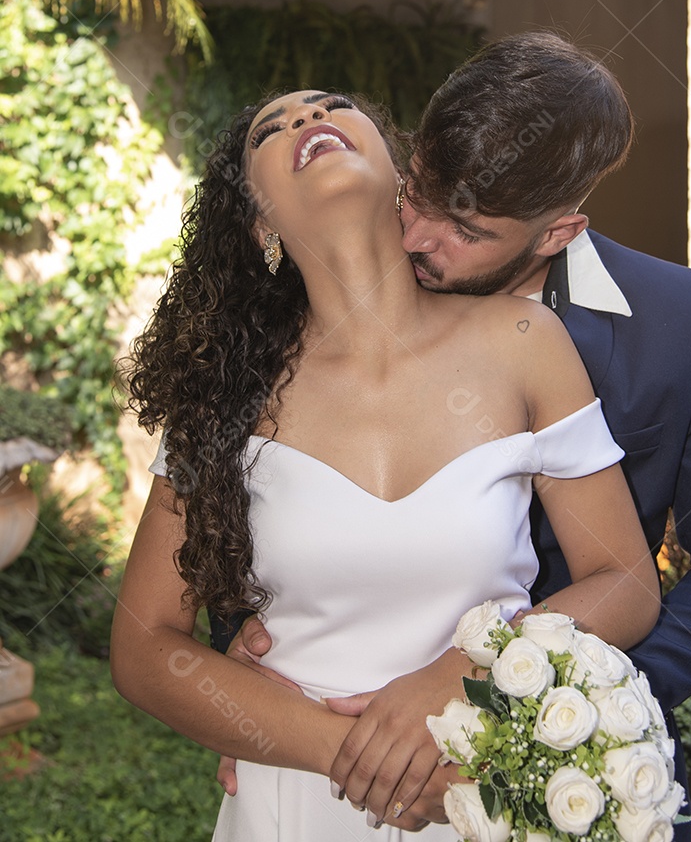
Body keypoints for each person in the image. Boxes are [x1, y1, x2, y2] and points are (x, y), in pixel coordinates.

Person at [111, 81, 661, 840]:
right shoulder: (220, 397)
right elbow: (144, 648)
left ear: (403, 178)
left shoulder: (523, 340)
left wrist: (464, 674)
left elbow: (626, 583)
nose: (307, 118)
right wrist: (362, 756)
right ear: (259, 223)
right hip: (295, 797)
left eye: (333, 106)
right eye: (271, 128)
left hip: (481, 779)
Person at [228, 32, 691, 840]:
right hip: (333, 761)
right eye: (417, 189)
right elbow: (265, 481)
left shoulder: (674, 321)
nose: (417, 235)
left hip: (570, 764)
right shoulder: (335, 259)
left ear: (556, 233)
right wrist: (250, 683)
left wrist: (563, 707)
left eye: (465, 228)